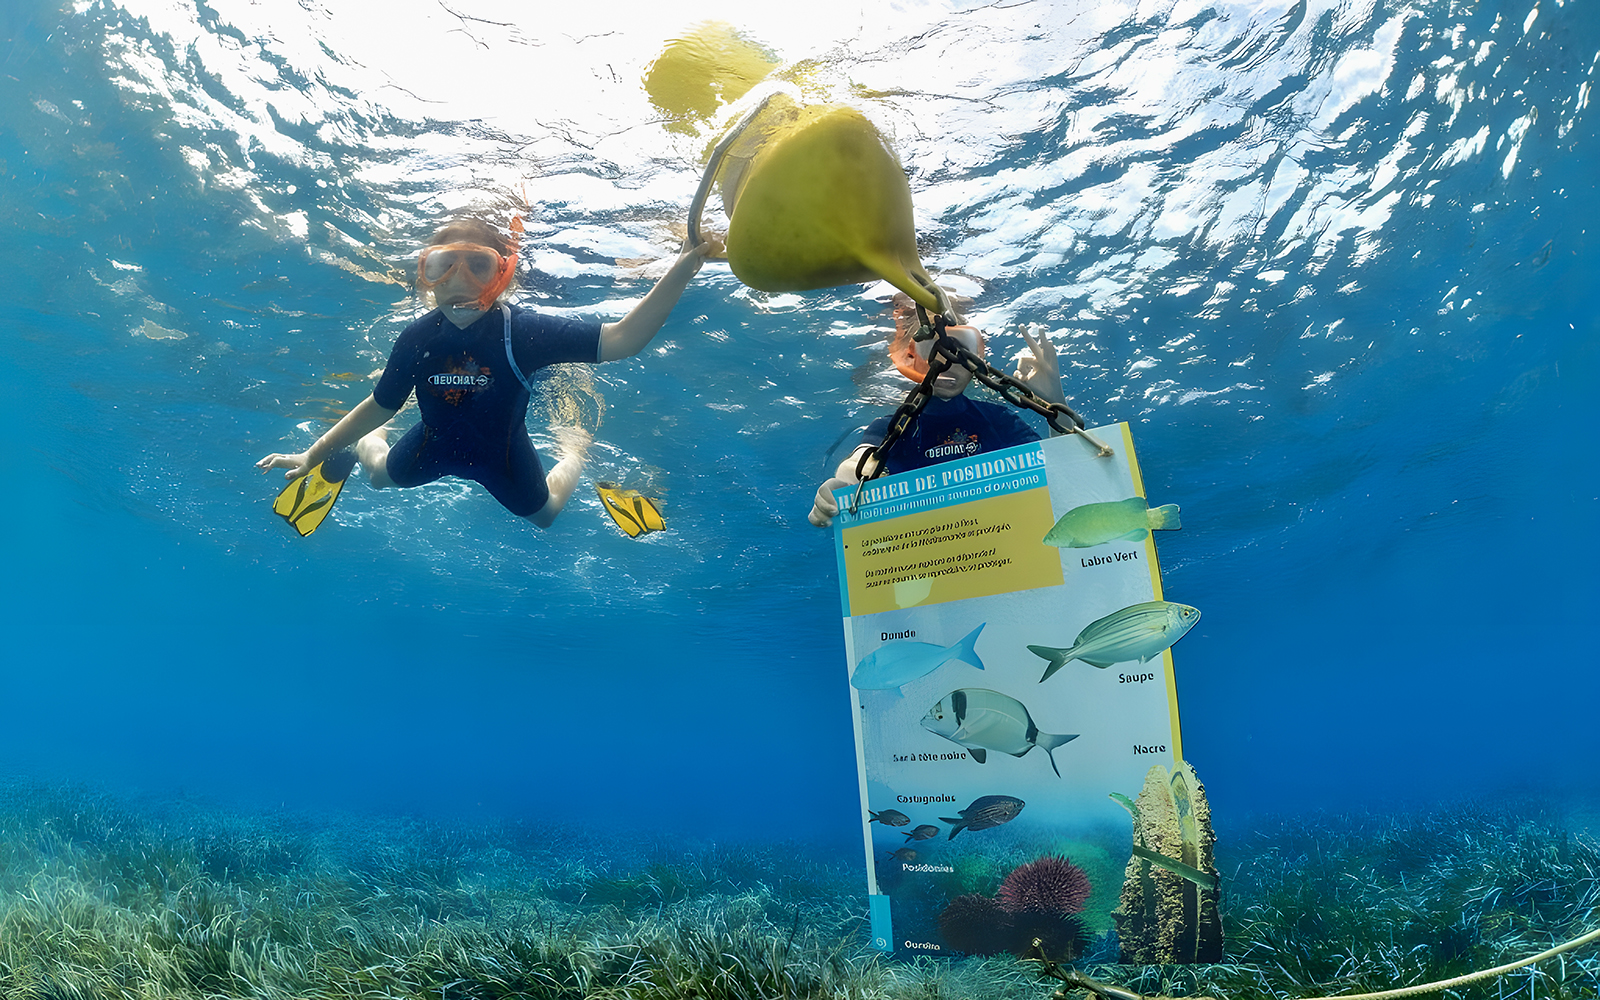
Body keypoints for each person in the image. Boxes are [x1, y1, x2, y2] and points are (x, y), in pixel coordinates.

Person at [258, 217, 718, 530]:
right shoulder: (417, 338)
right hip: (430, 446)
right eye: (442, 266)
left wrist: (684, 265)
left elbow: (623, 340)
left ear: (502, 274)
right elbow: (380, 405)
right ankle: (361, 450)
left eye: (477, 266)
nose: (459, 282)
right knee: (378, 477)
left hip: (502, 457)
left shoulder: (525, 331)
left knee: (545, 516)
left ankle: (575, 450)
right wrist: (313, 454)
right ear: (427, 274)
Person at [807, 295, 1068, 528]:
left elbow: (1065, 470)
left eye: (960, 352)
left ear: (975, 361)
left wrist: (1055, 400)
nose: (947, 364)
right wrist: (840, 487)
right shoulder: (893, 426)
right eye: (934, 352)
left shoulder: (998, 420)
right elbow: (862, 462)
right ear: (914, 359)